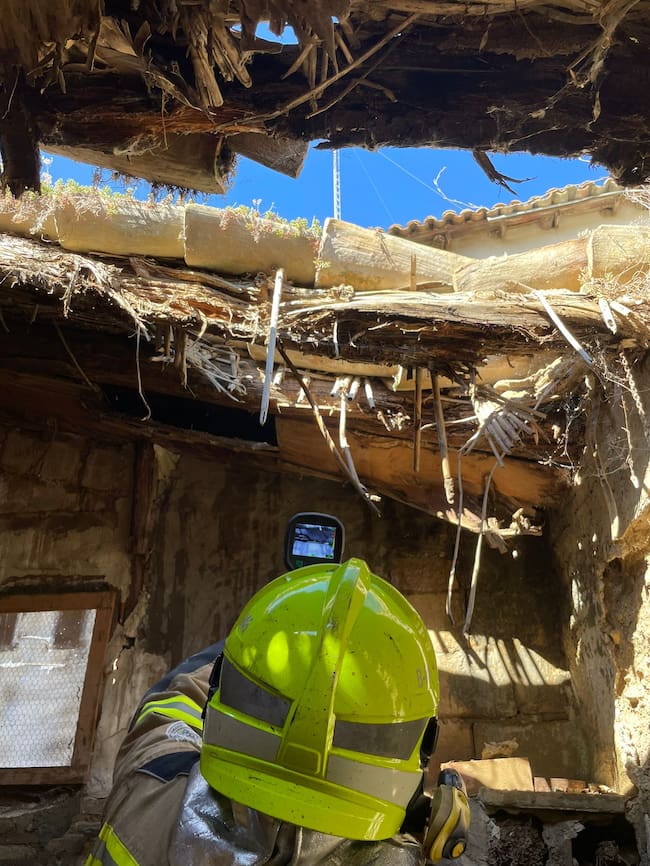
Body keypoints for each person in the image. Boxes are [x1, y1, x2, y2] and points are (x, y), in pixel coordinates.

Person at [86, 558, 469, 866]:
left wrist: (264, 643)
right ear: (422, 745)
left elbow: (169, 706)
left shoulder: (147, 798)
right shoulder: (405, 853)